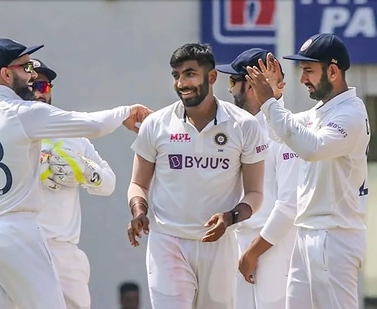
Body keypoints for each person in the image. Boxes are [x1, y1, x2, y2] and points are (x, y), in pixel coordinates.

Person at [0, 38, 151, 309]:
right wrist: (126, 112)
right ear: (6, 73)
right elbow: (91, 124)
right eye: (25, 67)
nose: (31, 74)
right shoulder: (20, 112)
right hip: (17, 231)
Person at [126, 43, 267, 309]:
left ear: (211, 77)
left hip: (220, 244)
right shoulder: (156, 124)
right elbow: (138, 184)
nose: (181, 83)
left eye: (189, 74)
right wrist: (138, 211)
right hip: (168, 241)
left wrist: (231, 217)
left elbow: (256, 193)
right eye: (176, 75)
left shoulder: (244, 125)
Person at [244, 33, 370, 309]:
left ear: (333, 71)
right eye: (302, 71)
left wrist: (268, 103)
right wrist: (274, 98)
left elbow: (312, 147)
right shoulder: (321, 112)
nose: (303, 79)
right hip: (308, 232)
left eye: (309, 70)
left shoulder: (350, 114)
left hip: (336, 235)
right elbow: (281, 134)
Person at [216, 48, 299, 309]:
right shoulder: (239, 129)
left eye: (233, 81)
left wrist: (254, 252)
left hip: (274, 246)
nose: (229, 90)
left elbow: (290, 204)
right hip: (240, 242)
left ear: (252, 85)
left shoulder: (286, 130)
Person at [31, 58, 116, 309]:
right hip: (24, 245)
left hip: (64, 250)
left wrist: (86, 172)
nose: (38, 93)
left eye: (44, 86)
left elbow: (108, 183)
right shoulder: (11, 131)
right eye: (33, 85)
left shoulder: (71, 132)